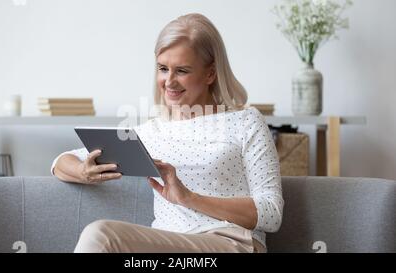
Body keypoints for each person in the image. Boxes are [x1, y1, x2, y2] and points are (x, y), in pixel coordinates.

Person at [51, 13, 283, 253]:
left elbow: (271, 213)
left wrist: (188, 198)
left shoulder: (245, 122)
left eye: (181, 70)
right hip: (164, 250)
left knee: (101, 236)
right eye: (163, 68)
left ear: (210, 73)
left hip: (231, 243)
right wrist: (83, 171)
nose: (169, 81)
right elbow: (61, 161)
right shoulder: (151, 132)